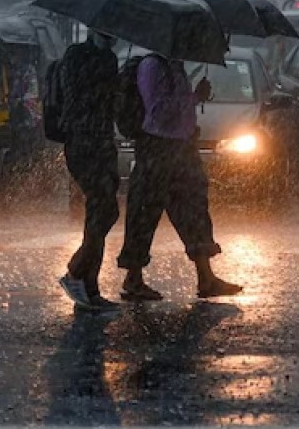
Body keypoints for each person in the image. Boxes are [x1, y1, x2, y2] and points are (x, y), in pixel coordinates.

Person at [117, 53, 242, 301]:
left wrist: (196, 98)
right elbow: (158, 110)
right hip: (158, 148)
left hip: (183, 147)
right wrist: (193, 98)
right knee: (144, 212)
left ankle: (206, 277)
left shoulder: (176, 67)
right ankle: (133, 278)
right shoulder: (152, 67)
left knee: (194, 209)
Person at [57, 30, 122, 311]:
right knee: (102, 207)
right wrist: (107, 85)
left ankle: (87, 281)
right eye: (107, 34)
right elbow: (78, 95)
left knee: (104, 211)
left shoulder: (109, 58)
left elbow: (110, 104)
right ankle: (77, 273)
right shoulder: (76, 55)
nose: (112, 39)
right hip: (83, 142)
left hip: (104, 141)